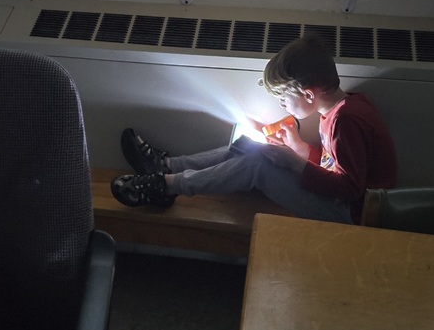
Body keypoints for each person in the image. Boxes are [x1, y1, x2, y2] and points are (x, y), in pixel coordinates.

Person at [111, 33, 398, 224]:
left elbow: (349, 187)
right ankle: (168, 166)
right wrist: (299, 148)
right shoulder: (340, 109)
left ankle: (168, 186)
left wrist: (294, 164)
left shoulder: (345, 121)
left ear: (309, 94)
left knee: (258, 166)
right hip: (341, 200)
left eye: (284, 99)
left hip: (353, 214)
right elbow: (333, 165)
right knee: (253, 145)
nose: (283, 105)